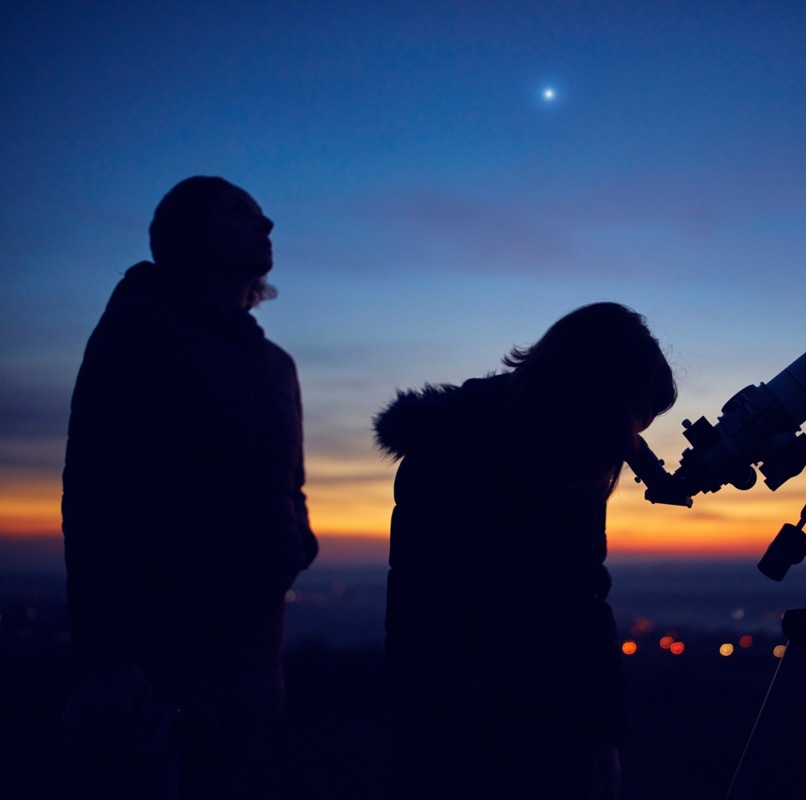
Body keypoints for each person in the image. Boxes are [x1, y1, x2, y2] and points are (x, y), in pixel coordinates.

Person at [60, 176, 318, 797]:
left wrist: (294, 546)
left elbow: (289, 486)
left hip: (250, 657)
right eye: (240, 212)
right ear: (189, 231)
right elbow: (99, 491)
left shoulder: (275, 365)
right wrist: (110, 659)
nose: (267, 225)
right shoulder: (140, 329)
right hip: (155, 656)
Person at [374, 302, 676, 799]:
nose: (626, 447)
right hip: (467, 743)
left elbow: (585, 605)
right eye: (627, 424)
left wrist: (602, 733)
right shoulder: (459, 454)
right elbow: (424, 625)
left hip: (546, 728)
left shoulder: (561, 460)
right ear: (593, 397)